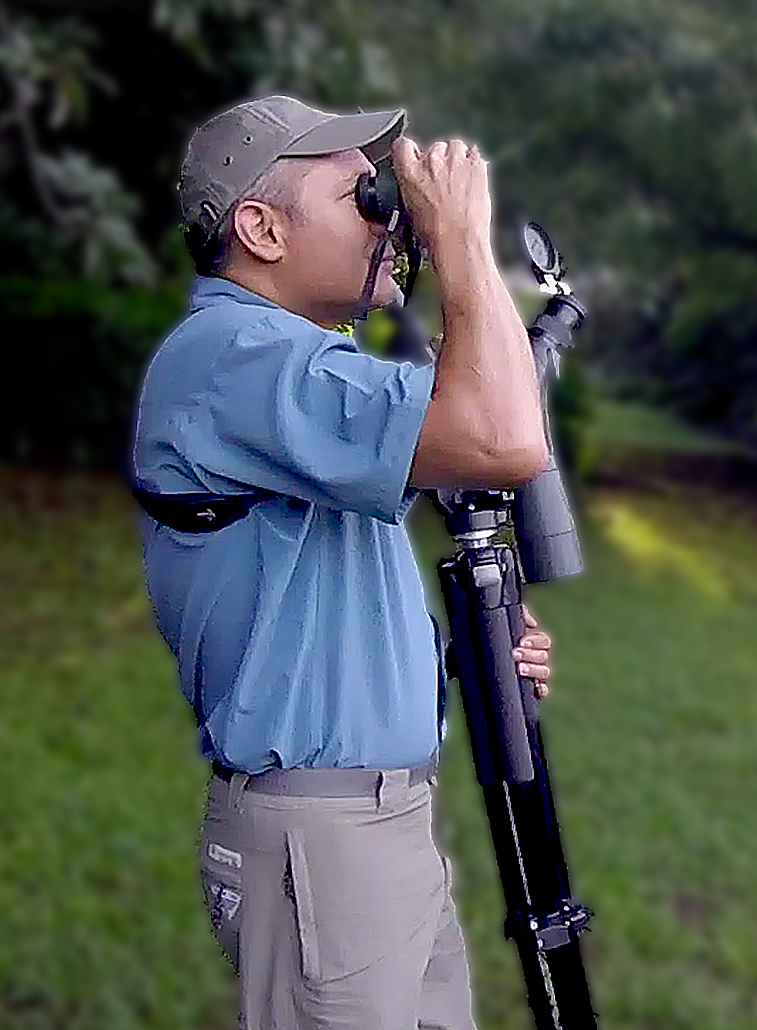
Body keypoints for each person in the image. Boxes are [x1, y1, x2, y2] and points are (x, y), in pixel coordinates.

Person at [130, 94, 555, 1030]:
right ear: (262, 229)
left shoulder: (298, 366)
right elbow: (506, 438)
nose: (386, 213)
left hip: (378, 829)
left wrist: (468, 652)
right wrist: (458, 242)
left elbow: (304, 592)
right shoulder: (238, 356)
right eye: (361, 195)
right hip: (321, 844)